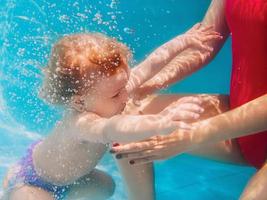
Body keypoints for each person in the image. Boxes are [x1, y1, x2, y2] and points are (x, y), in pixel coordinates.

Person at [2, 24, 221, 200]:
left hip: (70, 180)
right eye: (117, 95)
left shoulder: (114, 89)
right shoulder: (81, 123)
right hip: (35, 181)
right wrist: (160, 120)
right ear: (80, 102)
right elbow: (112, 128)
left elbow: (151, 64)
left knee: (107, 186)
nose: (126, 96)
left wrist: (182, 41)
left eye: (124, 86)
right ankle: (11, 185)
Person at [111, 0, 267, 199]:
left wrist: (191, 136)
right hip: (242, 128)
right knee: (126, 118)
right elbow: (205, 42)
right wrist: (147, 84)